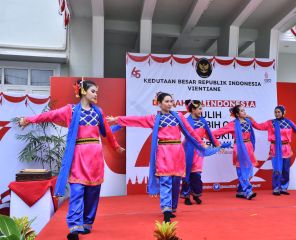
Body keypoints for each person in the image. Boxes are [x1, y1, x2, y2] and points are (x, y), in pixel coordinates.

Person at [19, 79, 123, 240]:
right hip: (79, 156)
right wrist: (29, 119)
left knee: (92, 192)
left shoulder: (98, 112)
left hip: (95, 156)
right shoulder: (71, 110)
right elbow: (49, 115)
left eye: (97, 92)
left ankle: (87, 223)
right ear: (83, 91)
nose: (96, 94)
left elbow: (107, 132)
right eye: (93, 91)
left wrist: (116, 147)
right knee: (77, 191)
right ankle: (74, 226)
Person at [106, 92, 219, 222]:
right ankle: (166, 209)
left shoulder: (179, 117)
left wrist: (200, 143)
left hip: (177, 152)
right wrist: (118, 119)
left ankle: (172, 208)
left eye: (171, 101)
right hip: (164, 153)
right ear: (159, 104)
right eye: (166, 101)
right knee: (165, 181)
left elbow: (190, 131)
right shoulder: (155, 118)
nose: (170, 103)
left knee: (176, 182)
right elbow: (137, 120)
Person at [248, 105, 296, 196]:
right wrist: (251, 119)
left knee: (285, 169)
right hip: (275, 148)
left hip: (286, 148)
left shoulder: (288, 122)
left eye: (279, 112)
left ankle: (283, 187)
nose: (277, 114)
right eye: (275, 112)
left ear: (283, 112)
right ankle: (276, 188)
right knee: (277, 169)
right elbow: (259, 126)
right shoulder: (270, 123)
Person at [180, 99, 222, 205]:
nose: (201, 110)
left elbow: (210, 135)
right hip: (188, 148)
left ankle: (196, 194)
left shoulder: (203, 121)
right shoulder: (186, 121)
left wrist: (217, 144)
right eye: (199, 109)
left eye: (201, 108)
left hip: (199, 150)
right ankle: (186, 196)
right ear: (193, 110)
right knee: (187, 173)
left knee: (197, 174)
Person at [213, 105, 258, 200]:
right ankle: (248, 191)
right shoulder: (233, 124)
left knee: (249, 170)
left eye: (244, 110)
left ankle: (241, 191)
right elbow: (219, 131)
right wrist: (207, 133)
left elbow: (258, 126)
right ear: (237, 114)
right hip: (240, 148)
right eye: (242, 111)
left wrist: (252, 119)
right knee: (242, 170)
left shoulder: (248, 121)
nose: (244, 112)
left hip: (249, 146)